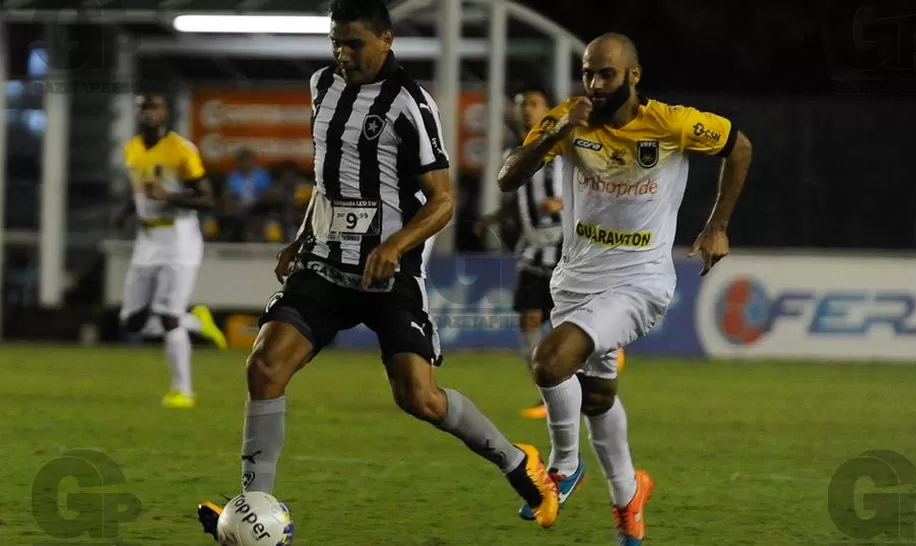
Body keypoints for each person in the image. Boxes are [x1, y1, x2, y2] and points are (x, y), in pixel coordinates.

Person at [196, 0, 560, 538]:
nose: (343, 54)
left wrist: (396, 244)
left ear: (386, 40)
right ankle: (253, 506)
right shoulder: (322, 86)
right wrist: (301, 237)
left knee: (419, 397)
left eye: (354, 44)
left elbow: (443, 199)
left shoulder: (410, 103)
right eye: (335, 42)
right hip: (323, 263)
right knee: (264, 367)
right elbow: (329, 179)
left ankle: (517, 462)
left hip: (388, 275)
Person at [497, 33, 753, 545]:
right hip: (575, 279)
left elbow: (740, 146)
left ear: (633, 75)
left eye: (606, 74)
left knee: (549, 362)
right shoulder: (570, 118)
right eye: (588, 73)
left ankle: (564, 466)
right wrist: (554, 136)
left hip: (639, 282)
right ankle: (627, 497)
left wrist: (717, 225)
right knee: (597, 397)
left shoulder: (672, 123)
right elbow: (508, 177)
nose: (594, 84)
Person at [480, 85, 627, 425]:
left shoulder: (566, 147)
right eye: (521, 104)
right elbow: (519, 200)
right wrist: (496, 218)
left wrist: (564, 204)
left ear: (549, 108)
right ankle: (548, 392)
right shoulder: (516, 151)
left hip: (563, 244)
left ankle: (605, 346)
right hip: (532, 248)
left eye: (533, 103)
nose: (526, 110)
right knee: (529, 319)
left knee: (569, 317)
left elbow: (595, 181)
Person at [115, 92, 228, 410]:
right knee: (132, 322)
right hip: (146, 240)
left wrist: (168, 195)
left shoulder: (181, 150)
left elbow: (207, 200)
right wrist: (126, 211)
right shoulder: (132, 148)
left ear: (165, 112)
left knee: (166, 317)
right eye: (143, 108)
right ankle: (195, 322)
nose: (148, 113)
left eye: (154, 107)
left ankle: (183, 391)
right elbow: (138, 188)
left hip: (178, 240)